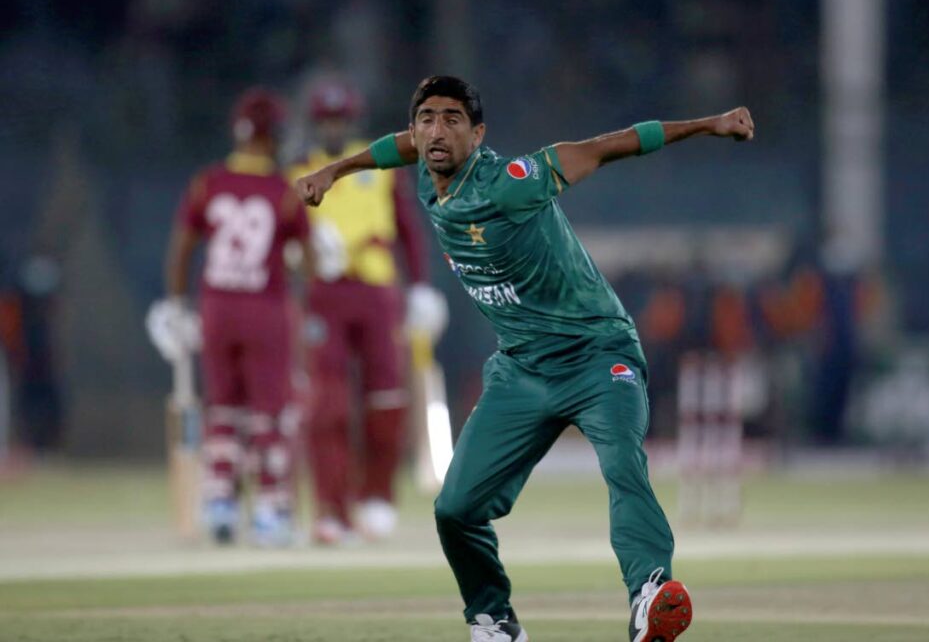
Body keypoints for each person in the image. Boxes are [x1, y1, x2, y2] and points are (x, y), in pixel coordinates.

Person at [295, 76, 754, 642]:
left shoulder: (514, 182)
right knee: (455, 510)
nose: (437, 130)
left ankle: (649, 593)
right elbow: (396, 145)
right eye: (428, 119)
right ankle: (492, 619)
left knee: (622, 464)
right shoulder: (423, 160)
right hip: (522, 369)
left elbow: (611, 146)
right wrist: (335, 172)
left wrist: (709, 123)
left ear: (479, 133)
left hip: (597, 353)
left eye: (453, 120)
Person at [153, 87, 314, 547]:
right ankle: (270, 511)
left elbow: (182, 248)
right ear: (274, 135)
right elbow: (305, 262)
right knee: (271, 411)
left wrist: (175, 304)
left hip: (217, 307)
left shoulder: (208, 182)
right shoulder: (285, 190)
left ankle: (220, 502)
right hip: (264, 307)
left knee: (222, 406)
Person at [288, 79, 446, 544]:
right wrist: (300, 258)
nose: (333, 128)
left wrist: (420, 287)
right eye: (325, 121)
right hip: (325, 295)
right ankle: (331, 510)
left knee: (385, 400)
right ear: (315, 124)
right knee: (329, 406)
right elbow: (283, 239)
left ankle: (377, 498)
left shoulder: (378, 164)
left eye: (340, 120)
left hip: (377, 292)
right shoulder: (297, 171)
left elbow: (407, 228)